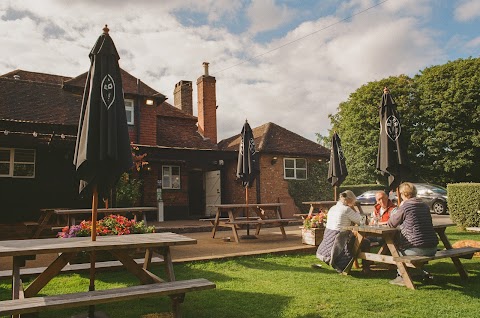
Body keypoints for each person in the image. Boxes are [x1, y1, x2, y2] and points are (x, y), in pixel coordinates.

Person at [387, 182, 439, 286]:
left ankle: (401, 276)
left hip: (416, 249)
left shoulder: (405, 207)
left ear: (403, 194)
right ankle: (421, 273)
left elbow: (391, 224)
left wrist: (398, 208)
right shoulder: (424, 205)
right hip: (433, 247)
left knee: (396, 252)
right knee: (412, 249)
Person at [316, 190, 366, 273]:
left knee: (360, 241)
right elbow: (362, 221)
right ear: (349, 200)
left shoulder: (333, 208)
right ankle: (366, 268)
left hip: (329, 238)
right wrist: (354, 209)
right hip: (340, 240)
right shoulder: (346, 210)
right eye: (353, 201)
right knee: (365, 242)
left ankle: (362, 266)